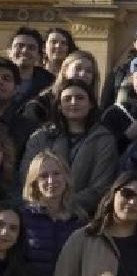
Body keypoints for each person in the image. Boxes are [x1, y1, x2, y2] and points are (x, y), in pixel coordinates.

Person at [20, 80, 117, 218]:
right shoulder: (40, 136)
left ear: (91, 104)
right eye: (67, 99)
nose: (73, 102)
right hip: (39, 215)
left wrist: (64, 206)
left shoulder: (104, 139)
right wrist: (48, 206)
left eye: (80, 98)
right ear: (59, 106)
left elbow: (101, 186)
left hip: (83, 218)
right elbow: (27, 175)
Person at [19, 151, 83, 276]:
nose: (51, 180)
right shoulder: (22, 217)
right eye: (43, 175)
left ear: (66, 177)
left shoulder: (79, 220)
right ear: (34, 182)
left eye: (56, 173)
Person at [8, 28, 53, 109]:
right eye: (20, 46)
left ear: (39, 55)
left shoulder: (50, 85)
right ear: (9, 52)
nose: (25, 51)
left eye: (31, 48)